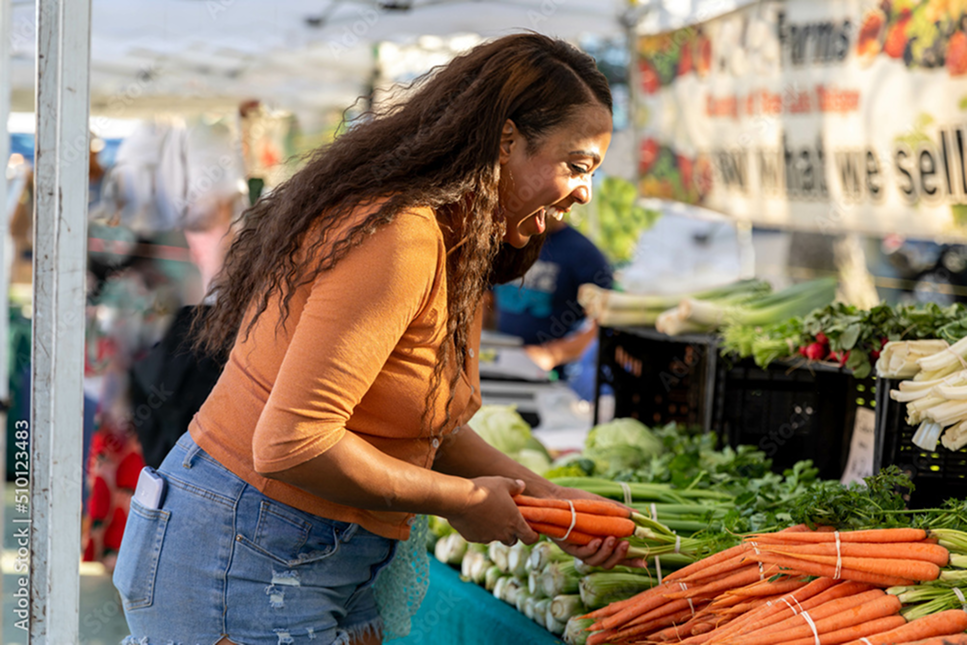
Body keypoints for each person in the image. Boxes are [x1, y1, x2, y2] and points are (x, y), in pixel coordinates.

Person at [113, 33, 629, 645]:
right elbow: (293, 444)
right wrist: (461, 501)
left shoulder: (454, 239)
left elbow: (416, 428)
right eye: (577, 166)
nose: (585, 192)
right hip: (241, 559)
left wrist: (552, 502)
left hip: (304, 560)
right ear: (505, 140)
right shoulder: (400, 236)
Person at [490, 213, 612, 399]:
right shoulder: (504, 241)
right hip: (496, 367)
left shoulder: (585, 254)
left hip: (550, 382)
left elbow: (602, 326)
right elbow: (484, 301)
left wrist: (550, 355)